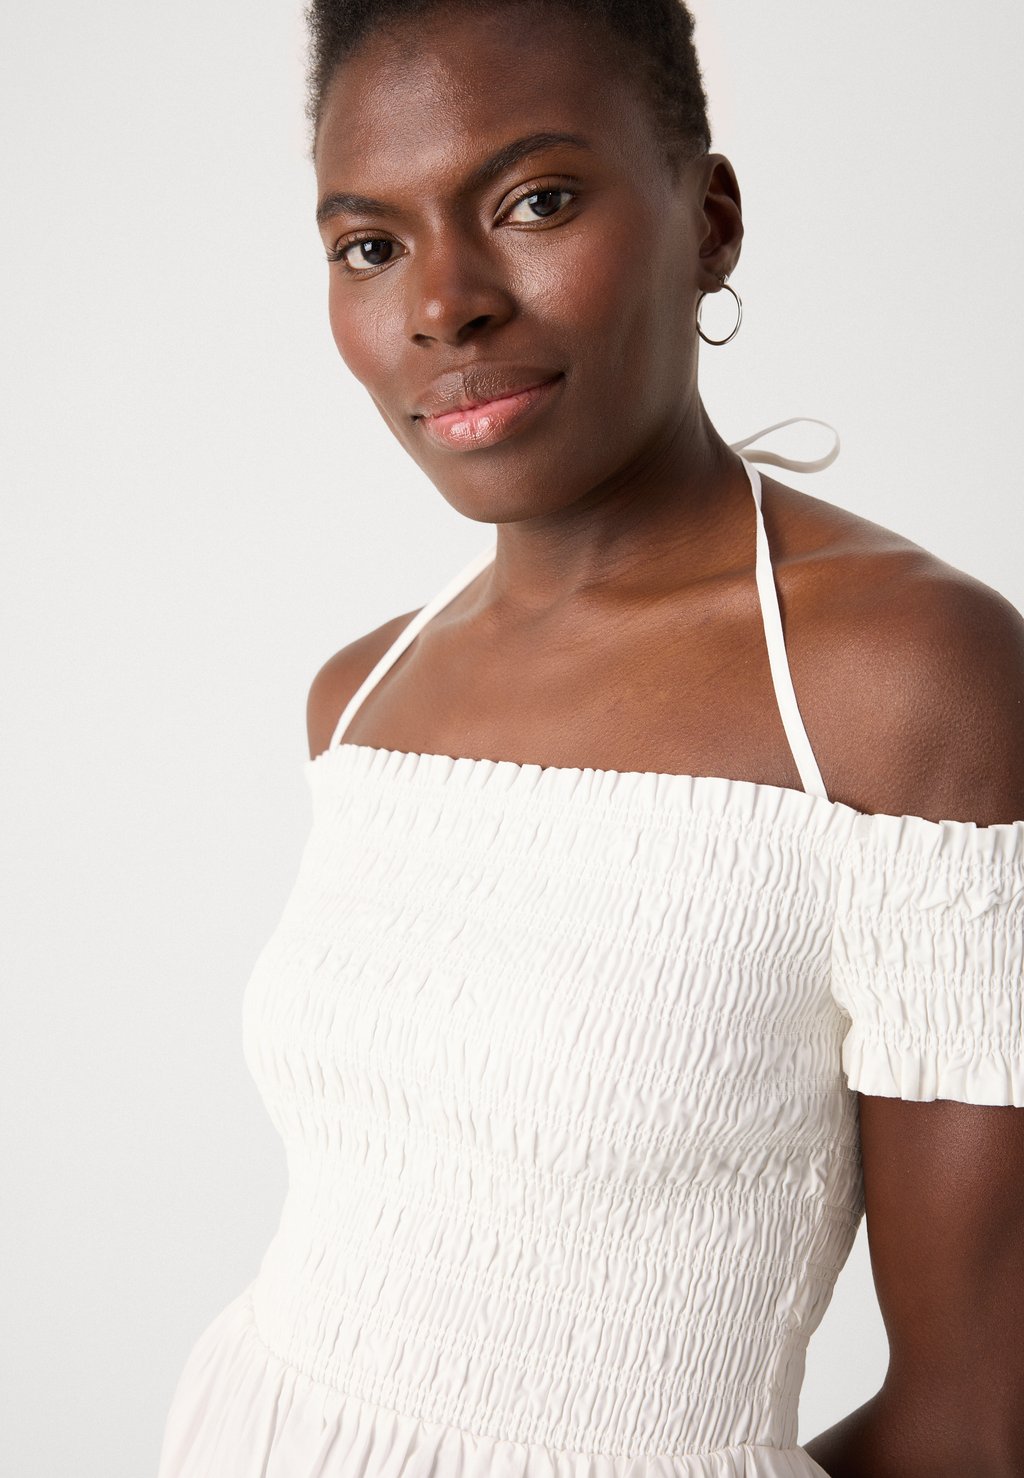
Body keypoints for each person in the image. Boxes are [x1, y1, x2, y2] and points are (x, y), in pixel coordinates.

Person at [157, 2, 1024, 1474]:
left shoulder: (903, 686)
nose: (445, 305)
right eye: (370, 245)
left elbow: (976, 1422)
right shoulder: (360, 699)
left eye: (537, 201)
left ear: (710, 221)